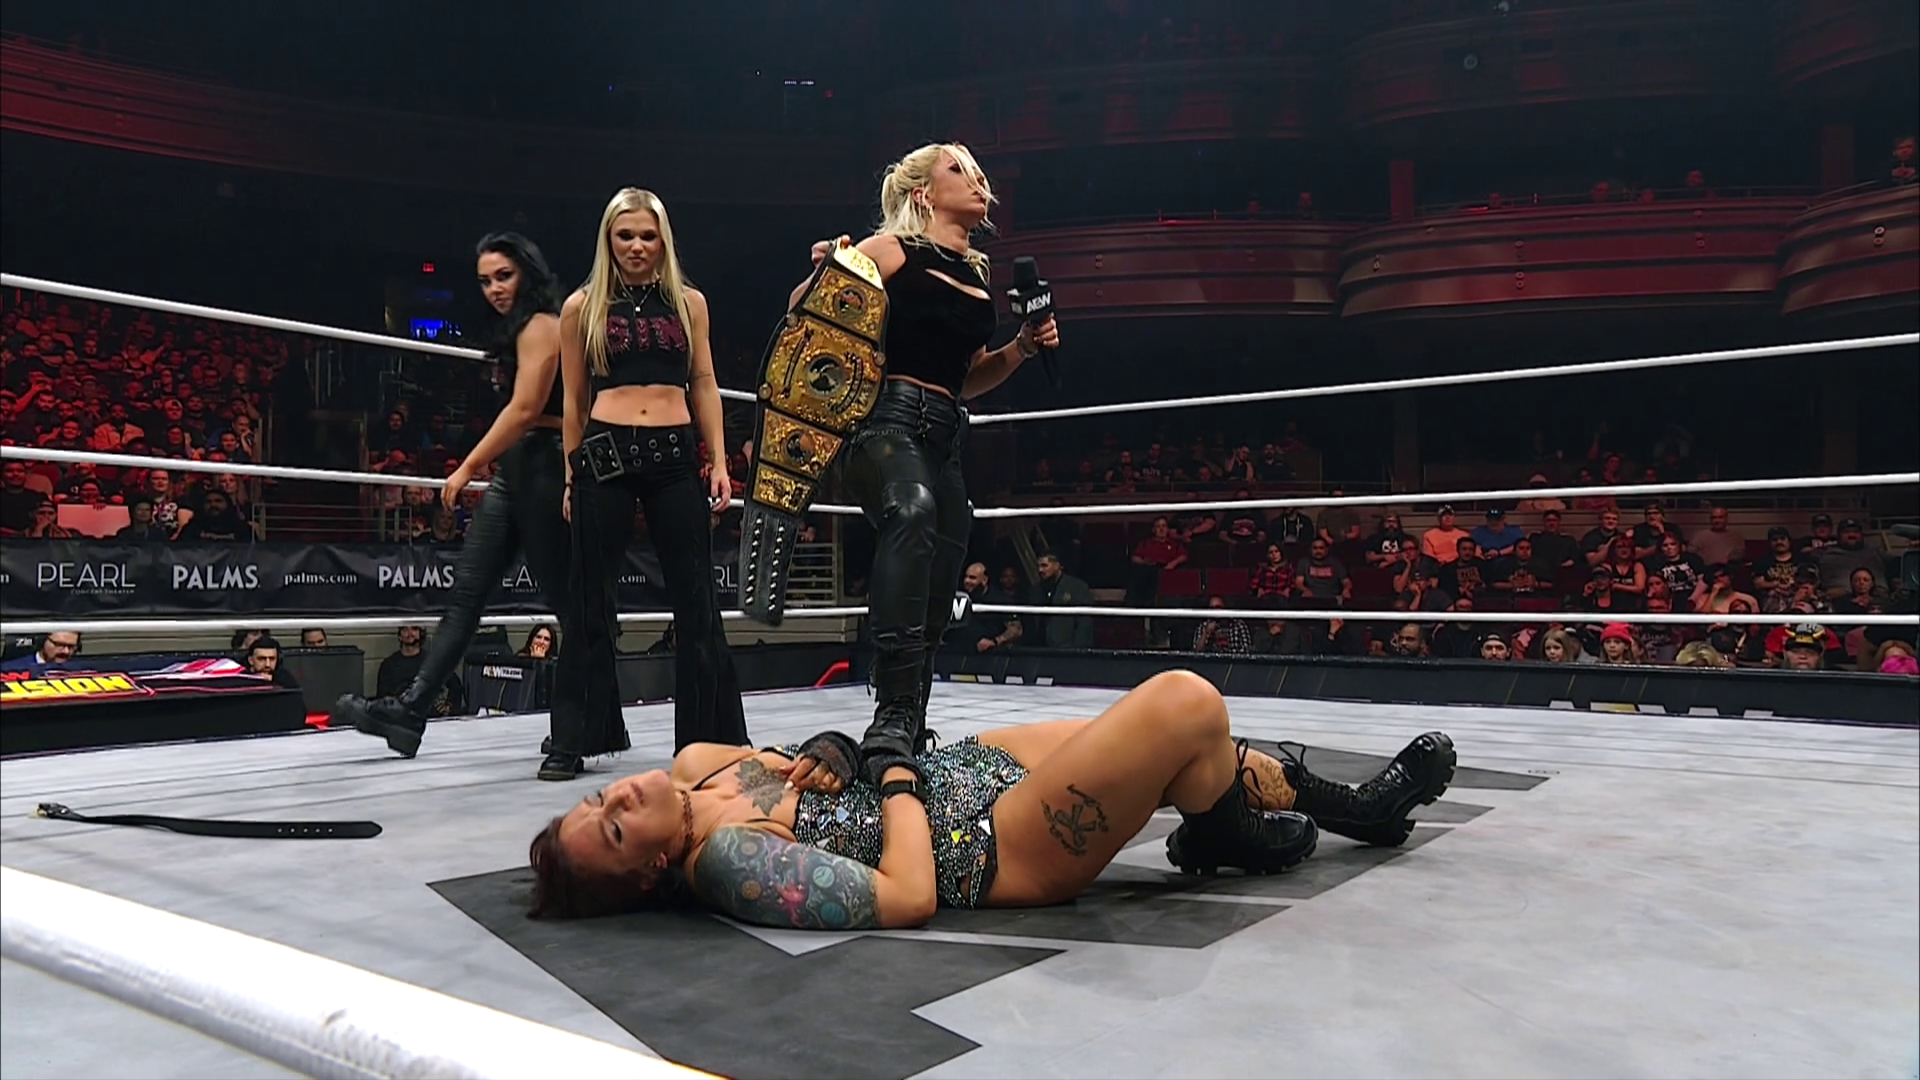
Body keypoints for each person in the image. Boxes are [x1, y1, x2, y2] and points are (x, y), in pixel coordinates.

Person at [527, 671, 1457, 926]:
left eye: (603, 797)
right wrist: (895, 776)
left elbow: (816, 763)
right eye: (616, 826)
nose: (624, 795)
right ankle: (1234, 833)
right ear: (649, 872)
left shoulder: (699, 763)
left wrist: (836, 749)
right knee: (1183, 706)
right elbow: (907, 896)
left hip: (959, 778)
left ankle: (1343, 810)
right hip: (985, 846)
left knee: (1175, 741)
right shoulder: (726, 861)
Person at [795, 144, 1060, 781]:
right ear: (923, 192)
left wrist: (1023, 347)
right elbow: (801, 308)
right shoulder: (892, 249)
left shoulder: (976, 273)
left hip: (944, 435)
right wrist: (828, 269)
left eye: (980, 173)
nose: (978, 181)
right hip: (886, 423)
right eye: (959, 170)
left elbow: (967, 376)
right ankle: (889, 716)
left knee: (945, 564)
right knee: (911, 512)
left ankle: (910, 721)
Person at [333, 232, 604, 780]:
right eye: (485, 280)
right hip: (520, 466)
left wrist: (467, 464)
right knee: (466, 595)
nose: (495, 289)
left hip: (550, 463)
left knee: (570, 608)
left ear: (527, 273)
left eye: (504, 276)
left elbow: (526, 408)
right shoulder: (521, 328)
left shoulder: (544, 324)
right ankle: (410, 711)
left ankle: (583, 727)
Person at [562, 188, 744, 759]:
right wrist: (570, 475)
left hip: (674, 454)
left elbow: (705, 381)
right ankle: (578, 736)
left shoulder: (690, 303)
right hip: (604, 453)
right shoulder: (581, 308)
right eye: (625, 235)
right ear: (608, 241)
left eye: (647, 235)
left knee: (697, 597)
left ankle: (708, 740)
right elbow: (573, 401)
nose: (637, 246)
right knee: (589, 596)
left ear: (663, 240)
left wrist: (718, 459)